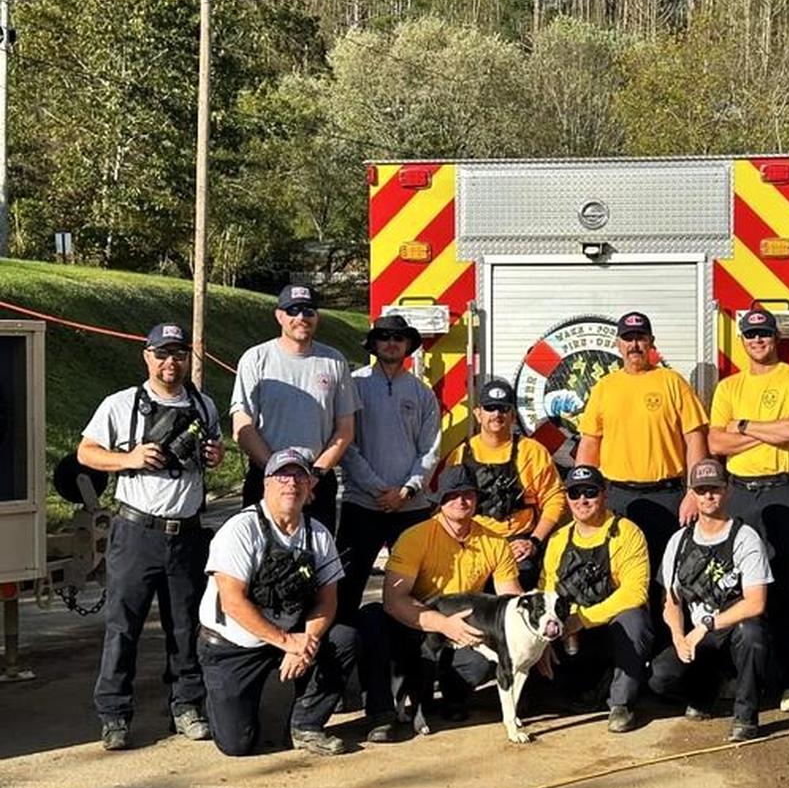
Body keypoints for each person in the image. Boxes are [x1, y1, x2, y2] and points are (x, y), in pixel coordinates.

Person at [77, 322, 223, 750]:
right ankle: (114, 714)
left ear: (186, 359)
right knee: (124, 626)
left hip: (188, 532)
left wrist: (214, 455)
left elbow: (212, 452)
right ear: (147, 356)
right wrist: (129, 458)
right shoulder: (121, 404)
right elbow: (86, 452)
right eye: (161, 354)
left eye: (177, 354)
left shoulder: (204, 405)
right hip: (137, 530)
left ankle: (186, 705)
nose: (169, 362)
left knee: (185, 626)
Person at [197, 448, 356, 756]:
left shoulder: (318, 534)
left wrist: (306, 641)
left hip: (289, 634)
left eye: (300, 476)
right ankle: (219, 696)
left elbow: (328, 601)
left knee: (345, 638)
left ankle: (306, 725)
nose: (291, 484)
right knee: (236, 745)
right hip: (233, 644)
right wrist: (287, 641)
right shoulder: (240, 530)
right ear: (266, 484)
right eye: (282, 475)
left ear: (311, 486)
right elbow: (233, 602)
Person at [358, 464, 522, 741]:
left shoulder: (495, 542)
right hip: (415, 621)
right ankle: (381, 712)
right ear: (440, 500)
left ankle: (450, 697)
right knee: (371, 617)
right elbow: (394, 600)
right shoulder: (415, 537)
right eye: (452, 495)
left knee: (486, 658)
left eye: (468, 494)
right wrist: (443, 624)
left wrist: (534, 634)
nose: (461, 501)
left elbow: (511, 602)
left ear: (477, 499)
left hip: (466, 629)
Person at [708, 307, 789, 714]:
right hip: (739, 496)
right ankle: (740, 677)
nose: (758, 341)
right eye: (751, 336)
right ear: (742, 341)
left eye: (764, 334)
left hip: (783, 493)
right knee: (735, 589)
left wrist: (743, 426)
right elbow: (716, 445)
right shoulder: (728, 387)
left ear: (776, 337)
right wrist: (763, 430)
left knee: (788, 590)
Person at [576, 311, 709, 585]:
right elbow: (590, 444)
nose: (634, 345)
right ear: (618, 344)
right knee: (616, 574)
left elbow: (695, 438)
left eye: (640, 338)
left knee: (669, 578)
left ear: (651, 342)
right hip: (617, 497)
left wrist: (693, 493)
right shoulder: (605, 387)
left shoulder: (672, 382)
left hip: (668, 497)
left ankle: (669, 629)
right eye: (628, 338)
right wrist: (583, 497)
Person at [649, 459, 774, 742]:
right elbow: (671, 600)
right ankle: (707, 692)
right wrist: (679, 637)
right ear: (691, 493)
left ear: (727, 491)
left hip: (731, 631)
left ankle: (746, 716)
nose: (708, 496)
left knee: (751, 634)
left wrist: (705, 626)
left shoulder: (745, 538)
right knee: (660, 677)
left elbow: (755, 603)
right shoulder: (679, 540)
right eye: (701, 489)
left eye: (714, 489)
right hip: (697, 638)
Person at [337, 314, 440, 623]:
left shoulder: (423, 393)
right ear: (373, 343)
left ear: (408, 345)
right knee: (345, 588)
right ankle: (343, 655)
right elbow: (346, 444)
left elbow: (430, 449)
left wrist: (408, 490)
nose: (391, 343)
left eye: (398, 338)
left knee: (420, 591)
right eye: (384, 336)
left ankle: (415, 661)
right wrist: (377, 489)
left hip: (411, 507)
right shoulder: (354, 386)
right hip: (362, 504)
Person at [230, 284, 358, 532]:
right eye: (293, 310)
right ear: (279, 316)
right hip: (265, 477)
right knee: (261, 562)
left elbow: (345, 430)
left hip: (317, 480)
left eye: (308, 311)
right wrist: (278, 476)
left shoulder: (334, 361)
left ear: (317, 317)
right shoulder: (255, 359)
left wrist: (312, 477)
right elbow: (242, 427)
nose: (301, 317)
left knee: (317, 562)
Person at [537, 465, 653, 733]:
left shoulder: (627, 532)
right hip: (569, 635)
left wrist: (583, 619)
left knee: (634, 619)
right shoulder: (557, 539)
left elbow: (635, 591)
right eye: (575, 494)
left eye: (590, 492)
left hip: (609, 628)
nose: (582, 501)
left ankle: (621, 704)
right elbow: (546, 591)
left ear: (604, 494)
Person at [445, 379, 565, 590]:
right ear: (477, 413)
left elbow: (554, 499)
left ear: (512, 414)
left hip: (518, 544)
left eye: (503, 408)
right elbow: (445, 507)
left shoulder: (533, 452)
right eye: (490, 408)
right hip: (472, 543)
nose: (496, 414)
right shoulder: (460, 455)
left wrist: (534, 542)